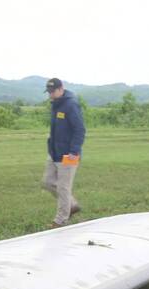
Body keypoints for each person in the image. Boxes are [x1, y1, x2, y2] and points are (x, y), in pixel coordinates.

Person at [41, 78, 85, 228]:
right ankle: (71, 204)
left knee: (63, 187)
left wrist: (74, 150)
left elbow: (79, 129)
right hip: (54, 152)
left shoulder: (71, 105)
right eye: (49, 92)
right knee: (47, 182)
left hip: (68, 154)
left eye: (53, 92)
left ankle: (60, 220)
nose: (51, 95)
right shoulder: (56, 104)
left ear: (61, 89)